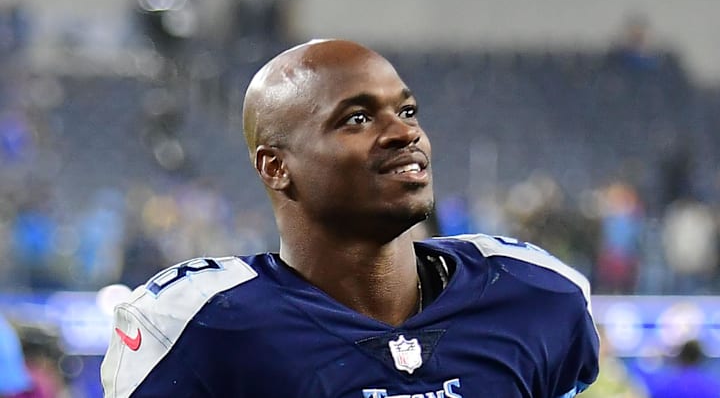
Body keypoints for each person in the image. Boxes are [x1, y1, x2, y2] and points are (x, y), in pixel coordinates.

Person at [101, 39, 599, 397]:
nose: (404, 133)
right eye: (357, 118)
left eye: (407, 111)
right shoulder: (202, 327)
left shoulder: (530, 294)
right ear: (276, 167)